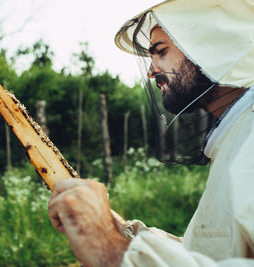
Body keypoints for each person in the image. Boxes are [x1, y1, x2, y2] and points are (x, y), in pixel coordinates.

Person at [48, 0, 254, 266]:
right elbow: (213, 255)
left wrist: (110, 250)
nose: (151, 69)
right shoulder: (237, 134)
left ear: (208, 45)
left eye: (161, 52)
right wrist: (115, 229)